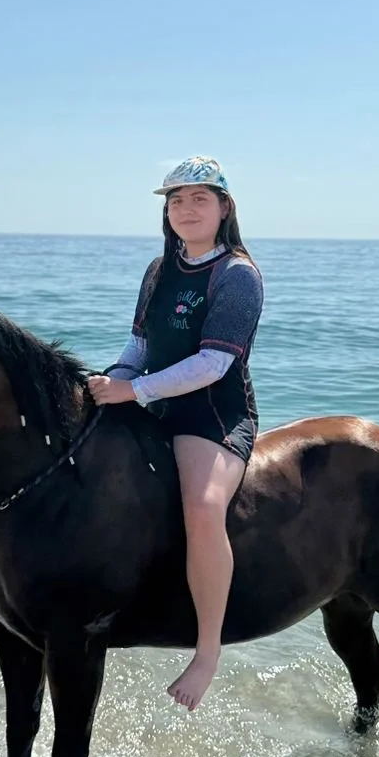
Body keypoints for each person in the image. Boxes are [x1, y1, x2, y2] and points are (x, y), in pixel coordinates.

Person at [87, 156, 264, 712]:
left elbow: (213, 365)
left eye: (199, 199)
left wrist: (134, 393)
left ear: (224, 208)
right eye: (176, 201)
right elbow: (138, 348)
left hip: (212, 416)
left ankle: (207, 650)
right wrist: (111, 382)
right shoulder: (158, 270)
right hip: (155, 404)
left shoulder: (237, 275)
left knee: (202, 507)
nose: (186, 209)